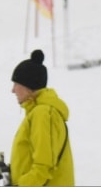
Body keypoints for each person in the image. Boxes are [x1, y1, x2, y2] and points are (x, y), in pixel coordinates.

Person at [7, 50, 73, 186]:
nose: (12, 90)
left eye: (16, 84)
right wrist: (9, 171)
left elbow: (44, 167)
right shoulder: (37, 112)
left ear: (28, 86)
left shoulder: (42, 113)